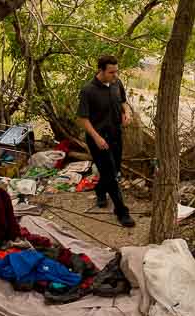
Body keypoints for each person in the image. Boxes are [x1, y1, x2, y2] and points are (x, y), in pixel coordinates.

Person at [76, 55, 136, 227]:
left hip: (116, 134)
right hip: (98, 138)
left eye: (116, 71)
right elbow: (83, 119)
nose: (115, 75)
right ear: (101, 70)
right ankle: (122, 212)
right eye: (111, 72)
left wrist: (127, 113)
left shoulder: (117, 83)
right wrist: (97, 138)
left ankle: (100, 189)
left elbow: (123, 102)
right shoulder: (88, 90)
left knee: (114, 169)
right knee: (110, 174)